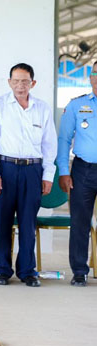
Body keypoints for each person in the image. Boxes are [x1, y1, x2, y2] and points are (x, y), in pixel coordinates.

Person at [0, 63, 57, 287]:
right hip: (5, 169)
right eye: (16, 81)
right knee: (2, 222)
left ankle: (27, 271)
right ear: (9, 82)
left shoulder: (42, 108)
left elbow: (49, 144)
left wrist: (48, 175)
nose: (20, 85)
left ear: (33, 83)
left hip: (33, 170)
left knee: (28, 223)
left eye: (25, 81)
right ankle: (2, 270)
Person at [56, 60, 97, 287]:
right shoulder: (76, 105)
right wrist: (64, 171)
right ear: (90, 77)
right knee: (80, 222)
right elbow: (64, 139)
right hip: (83, 170)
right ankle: (79, 271)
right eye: (95, 74)